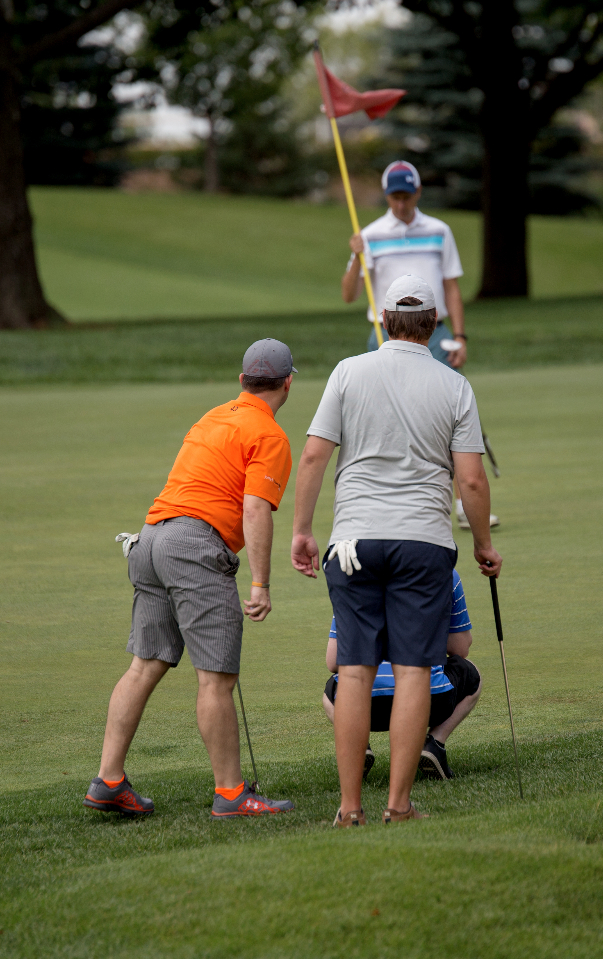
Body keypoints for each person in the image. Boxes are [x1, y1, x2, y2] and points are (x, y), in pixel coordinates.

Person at [292, 273, 502, 827]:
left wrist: (302, 530)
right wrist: (483, 545)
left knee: (354, 671)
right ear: (433, 324)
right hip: (422, 541)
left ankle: (349, 808)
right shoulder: (454, 385)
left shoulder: (347, 371)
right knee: (412, 671)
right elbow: (471, 479)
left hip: (353, 541)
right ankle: (399, 806)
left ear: (383, 320)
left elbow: (313, 456)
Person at [84, 339, 298, 820]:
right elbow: (255, 509)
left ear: (242, 381)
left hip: (150, 538)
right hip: (194, 545)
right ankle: (232, 794)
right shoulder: (269, 434)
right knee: (217, 679)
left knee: (144, 666)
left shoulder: (212, 416)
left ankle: (108, 780)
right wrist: (261, 584)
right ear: (287, 383)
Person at [340, 159, 499, 532]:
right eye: (394, 197)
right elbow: (349, 294)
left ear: (418, 193)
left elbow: (451, 287)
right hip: (383, 334)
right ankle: (385, 504)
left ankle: (463, 505)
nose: (401, 204)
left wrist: (461, 336)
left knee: (448, 417)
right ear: (386, 196)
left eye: (406, 196)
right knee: (383, 419)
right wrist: (356, 257)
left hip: (436, 332)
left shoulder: (439, 231)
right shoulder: (370, 234)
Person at [323, 568, 482, 781]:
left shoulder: (353, 573)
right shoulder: (444, 570)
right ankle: (434, 744)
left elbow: (333, 660)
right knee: (471, 674)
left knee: (331, 692)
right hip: (429, 699)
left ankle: (357, 745)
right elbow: (459, 649)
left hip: (361, 706)